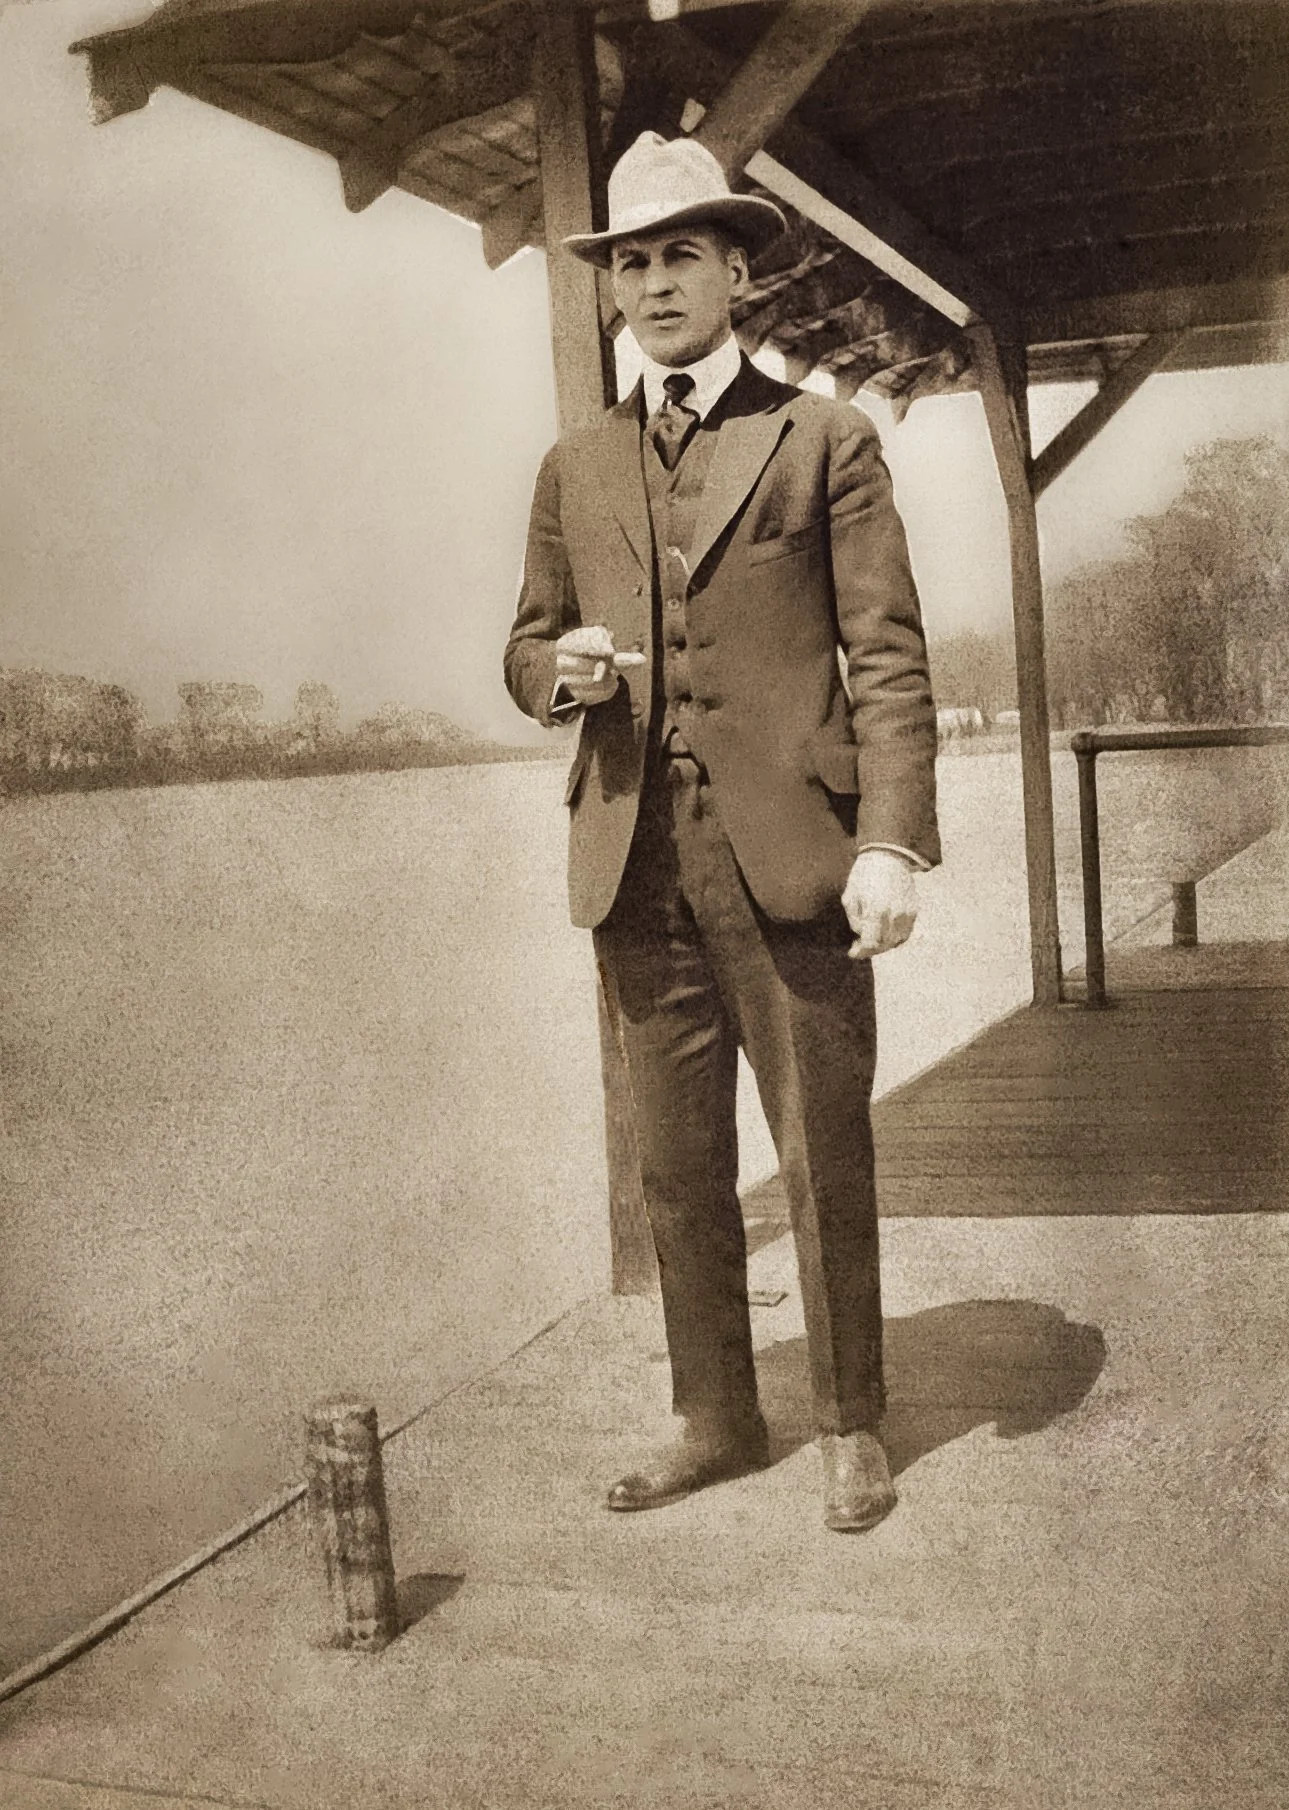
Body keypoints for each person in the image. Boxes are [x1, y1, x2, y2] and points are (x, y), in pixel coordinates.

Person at [504, 132, 939, 1532]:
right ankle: (714, 1412)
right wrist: (548, 674)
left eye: (681, 252)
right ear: (613, 289)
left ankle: (852, 1422)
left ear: (737, 271)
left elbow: (887, 654)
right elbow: (521, 645)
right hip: (634, 862)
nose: (654, 281)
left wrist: (892, 839)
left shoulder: (823, 436)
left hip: (794, 859)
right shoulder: (574, 465)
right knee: (676, 1161)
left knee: (823, 1145)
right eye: (631, 260)